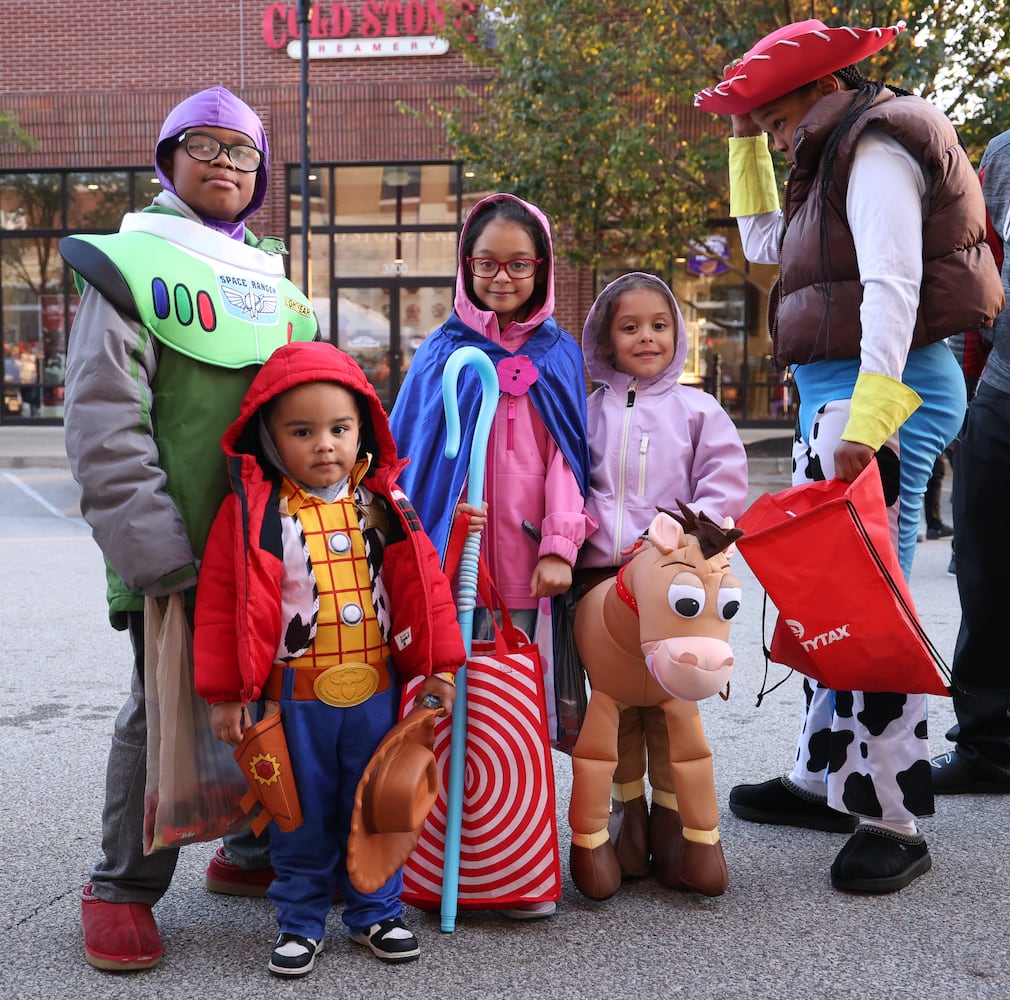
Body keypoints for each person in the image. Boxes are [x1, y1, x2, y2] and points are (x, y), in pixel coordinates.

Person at [694, 19, 1004, 893]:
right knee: (825, 592)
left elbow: (892, 283)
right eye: (759, 123)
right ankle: (820, 774)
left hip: (880, 392)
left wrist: (866, 419)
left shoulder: (872, 146)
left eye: (774, 116)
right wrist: (742, 147)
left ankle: (891, 818)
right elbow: (761, 248)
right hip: (848, 394)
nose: (772, 133)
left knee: (868, 602)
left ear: (818, 89)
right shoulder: (826, 156)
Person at [60, 86, 319, 971]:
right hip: (175, 549)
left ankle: (248, 851)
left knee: (271, 699)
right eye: (203, 146)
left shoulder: (276, 284)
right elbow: (102, 423)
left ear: (258, 175)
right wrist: (157, 556)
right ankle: (122, 886)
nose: (223, 164)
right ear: (167, 158)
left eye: (241, 152)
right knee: (162, 707)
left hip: (272, 549)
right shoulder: (129, 264)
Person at [193, 340, 463, 977]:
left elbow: (424, 588)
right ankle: (300, 920)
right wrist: (228, 691)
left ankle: (377, 911)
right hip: (296, 700)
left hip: (376, 692)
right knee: (300, 810)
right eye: (302, 431)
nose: (324, 445)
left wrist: (439, 665)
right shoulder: (254, 516)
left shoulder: (384, 506)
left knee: (379, 804)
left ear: (362, 429)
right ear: (268, 437)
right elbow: (223, 606)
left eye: (340, 429)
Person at [389, 192, 593, 918]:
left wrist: (562, 545)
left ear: (541, 268)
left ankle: (514, 861)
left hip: (529, 570)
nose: (501, 278)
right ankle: (441, 854)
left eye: (518, 264)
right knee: (446, 709)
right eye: (485, 264)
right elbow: (409, 460)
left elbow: (572, 461)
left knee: (517, 713)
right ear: (463, 267)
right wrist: (433, 537)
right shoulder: (442, 354)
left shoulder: (557, 355)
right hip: (455, 565)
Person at [575, 271, 749, 885]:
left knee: (674, 703)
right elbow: (573, 479)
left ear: (677, 334)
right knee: (616, 707)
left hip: (675, 576)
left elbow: (722, 481)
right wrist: (576, 531)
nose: (645, 337)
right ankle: (627, 820)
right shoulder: (588, 409)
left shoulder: (697, 408)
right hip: (603, 574)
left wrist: (694, 535)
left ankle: (681, 827)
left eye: (658, 325)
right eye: (629, 328)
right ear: (606, 337)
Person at [932, 126, 1010, 795]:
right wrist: (966, 394)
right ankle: (987, 745)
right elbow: (978, 262)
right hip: (999, 390)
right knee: (984, 573)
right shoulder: (1002, 153)